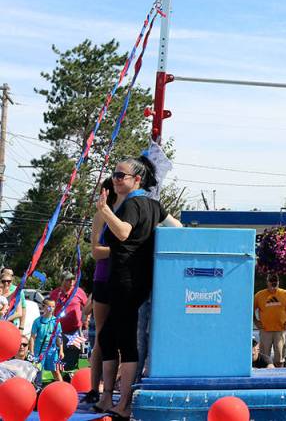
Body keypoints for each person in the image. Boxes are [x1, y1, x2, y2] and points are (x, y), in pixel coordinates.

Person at [95, 158, 180, 419]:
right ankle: (108, 396)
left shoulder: (133, 203)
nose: (116, 179)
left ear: (137, 180)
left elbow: (122, 232)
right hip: (128, 280)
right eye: (115, 175)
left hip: (128, 282)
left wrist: (105, 210)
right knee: (109, 336)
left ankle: (124, 403)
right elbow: (177, 228)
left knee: (126, 342)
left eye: (122, 175)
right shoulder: (153, 205)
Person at [85, 176, 119, 404]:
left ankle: (115, 387)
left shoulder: (129, 212)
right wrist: (121, 250)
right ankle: (94, 388)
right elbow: (96, 251)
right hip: (104, 280)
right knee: (102, 336)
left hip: (128, 282)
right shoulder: (101, 215)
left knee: (124, 338)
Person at [253, 274, 286, 368]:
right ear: (267, 282)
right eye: (271, 282)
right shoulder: (259, 295)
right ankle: (264, 378)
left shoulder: (285, 294)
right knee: (264, 357)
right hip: (265, 330)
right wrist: (255, 321)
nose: (273, 285)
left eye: (275, 282)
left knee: (279, 357)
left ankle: (279, 378)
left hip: (280, 330)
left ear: (278, 282)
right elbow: (250, 308)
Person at [49, 270, 88, 375]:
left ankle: (70, 375)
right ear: (62, 281)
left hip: (75, 330)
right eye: (68, 280)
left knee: (73, 354)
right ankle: (60, 376)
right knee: (59, 354)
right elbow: (49, 309)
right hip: (59, 330)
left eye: (73, 279)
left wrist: (86, 320)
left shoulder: (79, 292)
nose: (71, 282)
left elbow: (87, 307)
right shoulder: (54, 294)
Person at [29, 299, 63, 379]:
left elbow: (59, 337)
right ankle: (37, 388)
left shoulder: (56, 321)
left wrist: (61, 350)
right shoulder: (37, 321)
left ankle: (62, 387)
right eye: (49, 307)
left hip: (52, 351)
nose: (51, 309)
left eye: (53, 307)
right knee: (37, 371)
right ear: (43, 307)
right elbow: (32, 338)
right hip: (39, 351)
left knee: (56, 370)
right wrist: (32, 352)